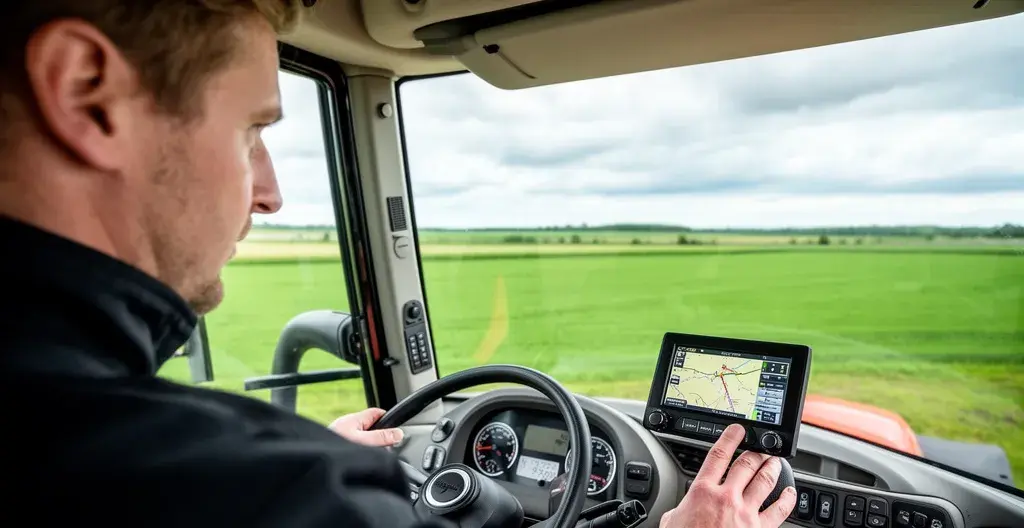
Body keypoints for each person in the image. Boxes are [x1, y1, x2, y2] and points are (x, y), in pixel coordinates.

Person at [0, 1, 795, 527]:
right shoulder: (266, 492)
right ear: (85, 91)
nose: (269, 192)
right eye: (250, 131)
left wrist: (314, 459)